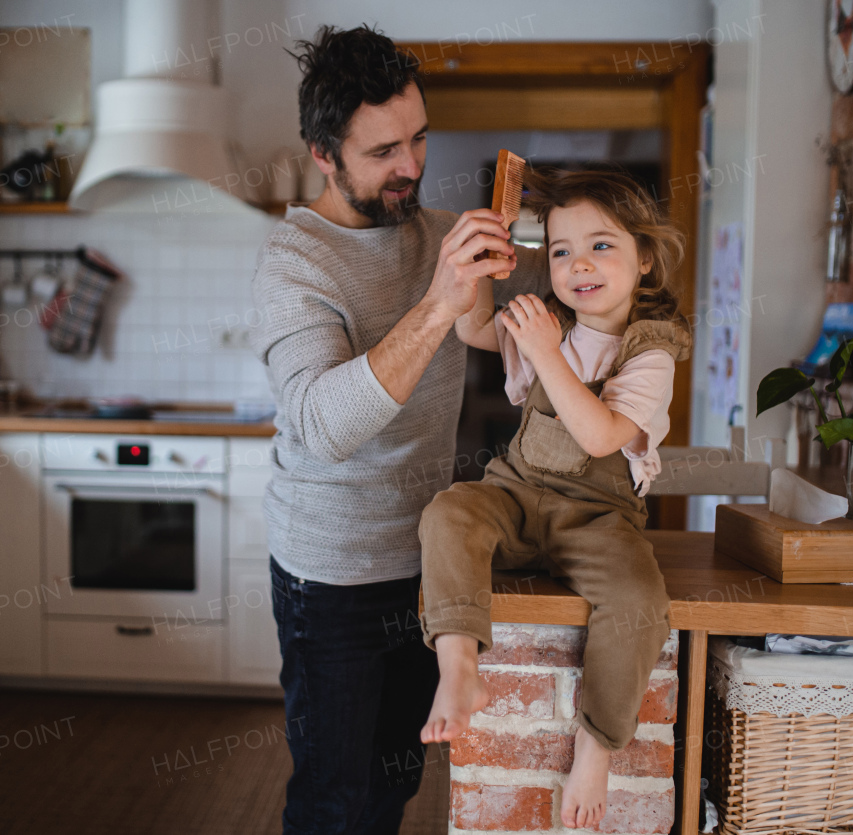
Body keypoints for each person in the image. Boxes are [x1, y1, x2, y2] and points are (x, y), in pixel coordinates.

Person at [251, 25, 550, 835]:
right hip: (330, 580)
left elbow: (543, 308)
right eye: (384, 150)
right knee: (334, 801)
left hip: (422, 568)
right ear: (324, 152)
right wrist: (439, 303)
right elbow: (323, 426)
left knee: (392, 790)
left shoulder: (440, 234)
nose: (411, 166)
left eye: (419, 138)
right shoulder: (293, 262)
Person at [417, 167, 692, 829]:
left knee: (637, 599)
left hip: (598, 515)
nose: (579, 264)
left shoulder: (651, 349)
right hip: (517, 492)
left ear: (644, 258)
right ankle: (459, 668)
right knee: (448, 510)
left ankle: (595, 746)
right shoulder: (549, 321)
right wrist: (485, 259)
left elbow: (600, 436)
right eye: (561, 250)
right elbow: (473, 329)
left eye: (602, 245)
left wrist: (548, 352)